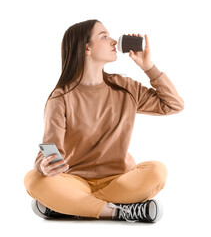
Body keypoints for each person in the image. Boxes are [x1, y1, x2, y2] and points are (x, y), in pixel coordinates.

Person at [24, 19, 184, 223]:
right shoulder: (61, 97)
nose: (114, 41)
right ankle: (119, 211)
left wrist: (148, 67)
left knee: (157, 170)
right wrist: (43, 166)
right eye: (104, 36)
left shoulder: (125, 87)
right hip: (75, 181)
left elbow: (173, 105)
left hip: (119, 181)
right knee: (33, 179)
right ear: (87, 48)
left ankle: (70, 207)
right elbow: (49, 149)